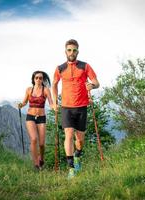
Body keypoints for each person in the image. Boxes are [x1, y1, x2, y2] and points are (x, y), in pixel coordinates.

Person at [52, 39, 100, 179]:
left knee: (79, 139)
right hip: (66, 107)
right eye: (69, 50)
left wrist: (92, 85)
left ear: (77, 51)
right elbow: (54, 85)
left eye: (74, 50)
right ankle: (71, 167)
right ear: (65, 51)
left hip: (81, 107)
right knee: (68, 134)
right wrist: (55, 103)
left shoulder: (85, 66)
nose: (71, 53)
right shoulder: (60, 68)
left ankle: (78, 155)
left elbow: (97, 82)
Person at [18, 71, 53, 170]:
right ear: (33, 79)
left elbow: (50, 102)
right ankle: (36, 164)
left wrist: (54, 107)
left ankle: (41, 158)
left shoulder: (45, 90)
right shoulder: (29, 90)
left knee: (41, 144)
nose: (38, 79)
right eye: (36, 77)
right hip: (30, 117)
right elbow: (24, 102)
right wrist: (21, 105)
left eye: (40, 78)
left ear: (43, 80)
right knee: (33, 139)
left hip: (41, 118)